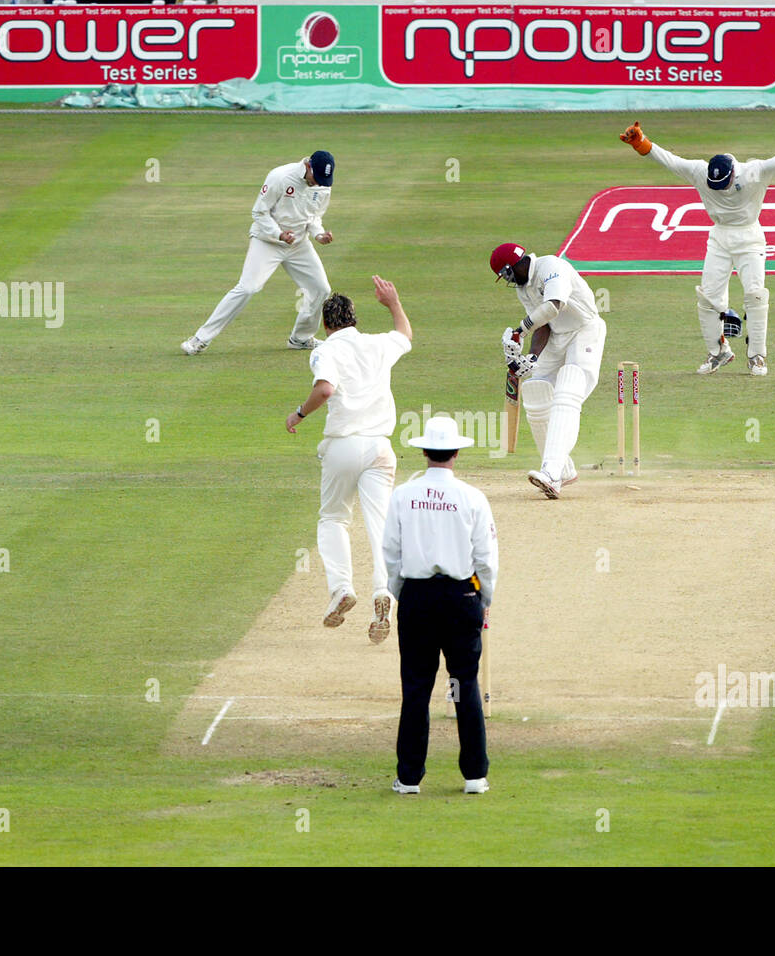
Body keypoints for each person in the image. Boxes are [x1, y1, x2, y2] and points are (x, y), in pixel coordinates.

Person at [617, 120, 775, 377]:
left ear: (733, 175)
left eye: (724, 185)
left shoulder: (753, 172)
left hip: (750, 237)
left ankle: (757, 356)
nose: (721, 191)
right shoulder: (699, 171)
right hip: (719, 237)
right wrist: (640, 143)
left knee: (756, 296)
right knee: (707, 300)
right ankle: (718, 353)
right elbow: (670, 160)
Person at [285, 275, 412, 643]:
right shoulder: (376, 344)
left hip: (342, 446)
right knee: (381, 524)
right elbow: (405, 335)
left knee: (333, 519)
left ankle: (341, 589)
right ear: (354, 319)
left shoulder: (325, 350)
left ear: (326, 324)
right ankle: (383, 593)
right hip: (379, 448)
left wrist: (299, 414)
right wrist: (393, 303)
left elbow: (325, 388)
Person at [382, 415, 499, 796]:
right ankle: (475, 776)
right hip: (461, 597)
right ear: (457, 451)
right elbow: (486, 559)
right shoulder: (472, 497)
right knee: (463, 683)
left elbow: (391, 554)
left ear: (424, 451)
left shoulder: (402, 495)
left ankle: (410, 777)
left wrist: (404, 594)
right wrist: (484, 599)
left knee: (416, 686)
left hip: (417, 597)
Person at [184, 150, 336, 355]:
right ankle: (199, 339)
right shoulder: (280, 177)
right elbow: (259, 212)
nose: (318, 184)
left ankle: (301, 339)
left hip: (298, 244)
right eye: (315, 178)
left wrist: (318, 235)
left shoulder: (323, 186)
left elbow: (314, 217)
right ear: (308, 166)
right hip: (267, 241)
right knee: (248, 288)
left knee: (321, 288)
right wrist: (279, 234)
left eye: (322, 181)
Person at [491, 241, 607, 499]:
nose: (508, 280)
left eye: (505, 274)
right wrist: (531, 356)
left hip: (584, 330)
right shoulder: (524, 289)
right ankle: (563, 470)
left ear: (513, 267)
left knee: (568, 387)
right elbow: (543, 324)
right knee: (536, 390)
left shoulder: (550, 267)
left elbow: (554, 305)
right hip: (556, 337)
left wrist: (520, 330)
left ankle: (551, 472)